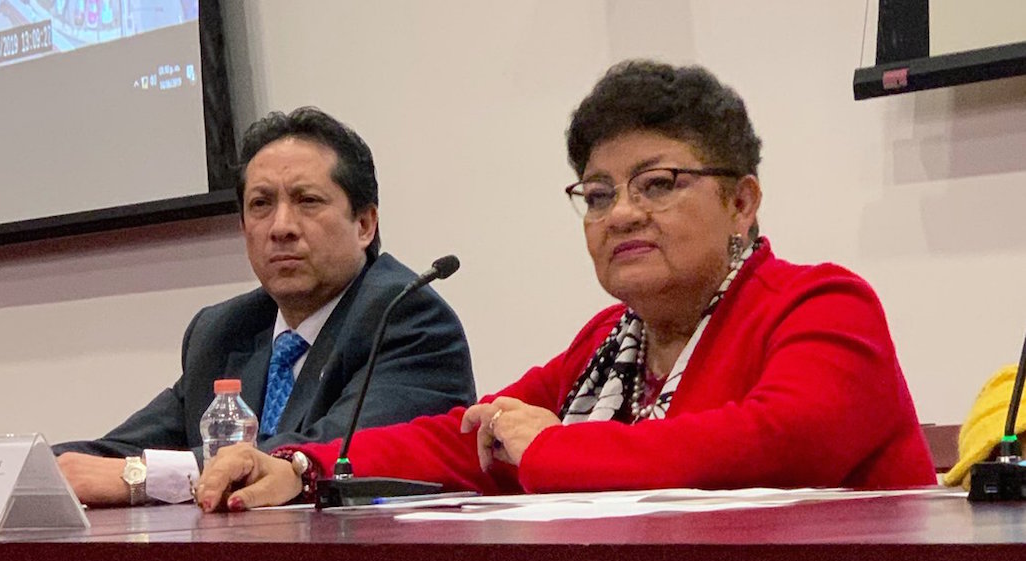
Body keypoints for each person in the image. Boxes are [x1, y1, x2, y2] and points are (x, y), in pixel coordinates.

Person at [195, 61, 935, 512]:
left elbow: (769, 449)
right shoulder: (609, 343)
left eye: (658, 184)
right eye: (599, 194)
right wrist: (303, 466)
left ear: (741, 202)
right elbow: (466, 439)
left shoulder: (823, 305)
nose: (623, 214)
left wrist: (554, 449)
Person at [54, 107, 476, 506]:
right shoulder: (224, 330)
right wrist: (36, 470)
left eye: (307, 201)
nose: (281, 227)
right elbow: (116, 452)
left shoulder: (407, 318)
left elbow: (333, 456)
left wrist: (142, 477)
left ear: (364, 224)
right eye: (261, 204)